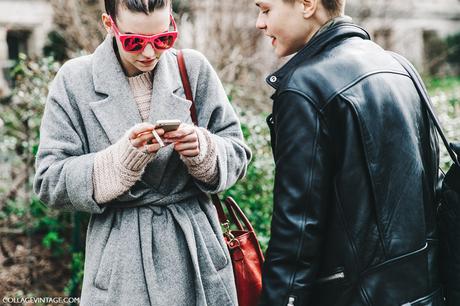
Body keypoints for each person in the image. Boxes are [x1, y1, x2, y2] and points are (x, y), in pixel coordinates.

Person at [33, 0, 251, 305]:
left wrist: (203, 150)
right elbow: (48, 181)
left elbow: (238, 154)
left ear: (172, 22)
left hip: (197, 251)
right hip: (120, 260)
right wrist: (117, 163)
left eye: (163, 39)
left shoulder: (193, 69)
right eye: (134, 41)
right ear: (109, 25)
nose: (149, 53)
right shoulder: (74, 81)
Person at [254, 0, 442, 305]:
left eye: (265, 9)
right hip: (423, 291)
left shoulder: (304, 86)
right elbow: (430, 187)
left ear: (306, 4)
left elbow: (297, 230)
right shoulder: (398, 65)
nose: (259, 23)